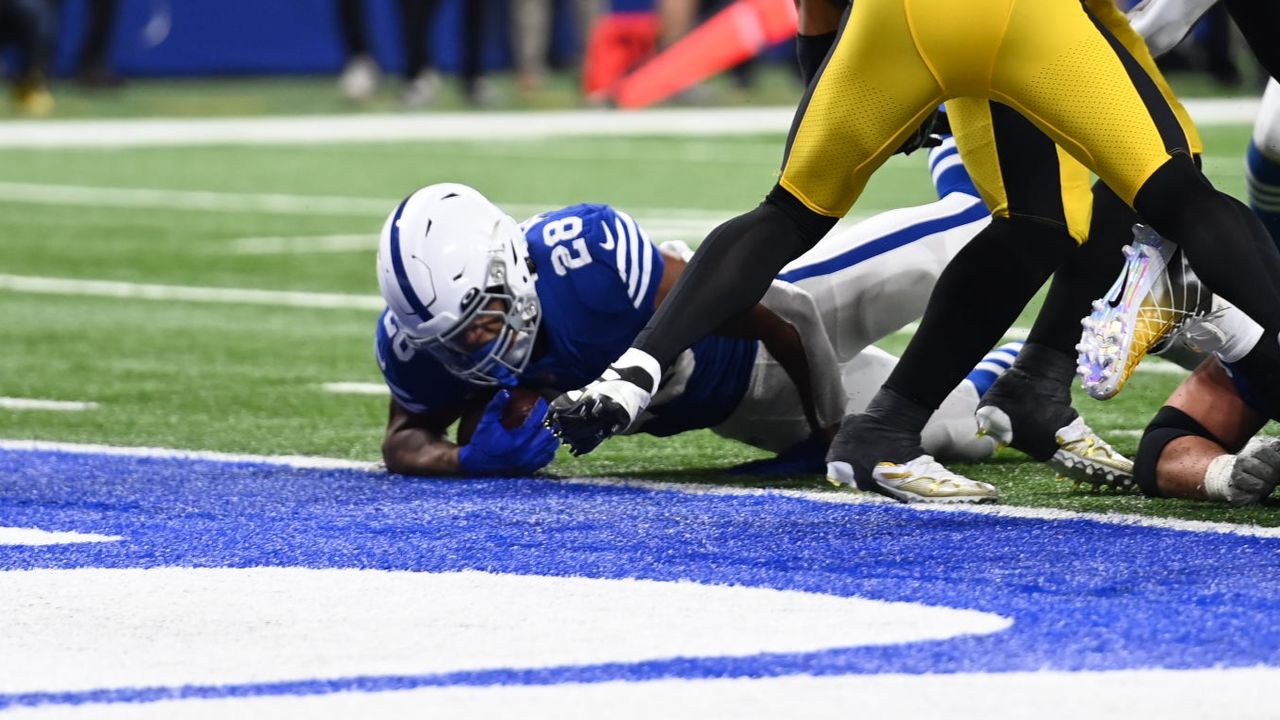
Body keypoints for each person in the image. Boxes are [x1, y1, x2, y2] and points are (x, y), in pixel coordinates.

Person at [547, 0, 1280, 504]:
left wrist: (823, 77)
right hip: (1026, 21)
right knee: (1178, 189)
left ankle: (636, 376)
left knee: (797, 211)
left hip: (895, 23)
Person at [373, 148, 1052, 496]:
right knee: (960, 433)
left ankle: (955, 121)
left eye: (482, 323)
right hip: (737, 406)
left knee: (970, 231)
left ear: (511, 272)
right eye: (454, 341)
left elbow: (787, 315)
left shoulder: (590, 270)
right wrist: (465, 461)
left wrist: (831, 435)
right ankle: (1005, 376)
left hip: (785, 308)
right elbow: (404, 436)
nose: (476, 351)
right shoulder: (427, 340)